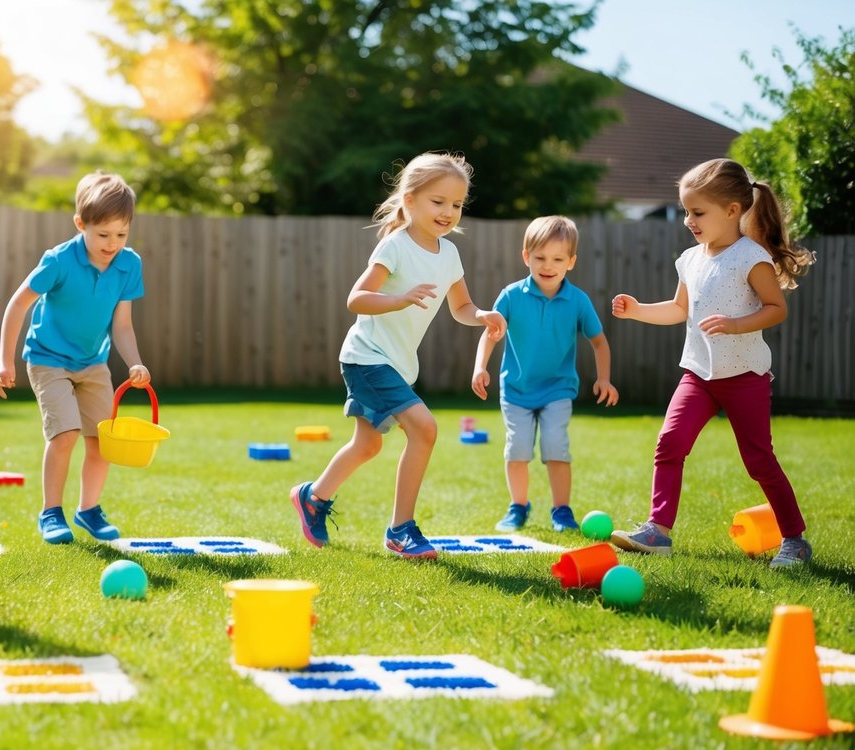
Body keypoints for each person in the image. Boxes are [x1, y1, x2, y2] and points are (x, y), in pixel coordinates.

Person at [291, 152, 506, 559]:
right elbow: (357, 299)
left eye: (456, 204)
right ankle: (400, 529)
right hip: (367, 358)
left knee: (368, 445)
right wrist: (400, 298)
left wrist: (482, 316)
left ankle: (312, 497)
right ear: (410, 200)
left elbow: (460, 307)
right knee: (424, 428)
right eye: (437, 202)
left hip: (397, 364)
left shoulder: (449, 254)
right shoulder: (397, 245)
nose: (448, 212)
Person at [610, 158, 814, 566]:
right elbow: (677, 309)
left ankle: (794, 539)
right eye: (686, 210)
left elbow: (776, 309)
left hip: (745, 377)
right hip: (698, 375)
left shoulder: (749, 257)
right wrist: (637, 310)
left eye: (697, 212)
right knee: (670, 443)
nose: (688, 220)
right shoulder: (691, 260)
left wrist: (738, 324)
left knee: (759, 460)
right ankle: (658, 530)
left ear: (732, 211)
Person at [0, 171, 150, 545]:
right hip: (48, 358)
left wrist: (135, 362)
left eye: (121, 234)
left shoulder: (129, 265)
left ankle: (88, 510)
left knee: (100, 441)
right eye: (103, 235)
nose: (112, 244)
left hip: (93, 363)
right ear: (81, 224)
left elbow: (123, 326)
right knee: (65, 433)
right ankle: (51, 512)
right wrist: (4, 361)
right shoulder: (60, 260)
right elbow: (18, 304)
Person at [471, 216, 618, 533]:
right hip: (516, 390)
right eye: (539, 258)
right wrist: (480, 366)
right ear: (526, 257)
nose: (547, 266)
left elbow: (599, 341)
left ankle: (561, 511)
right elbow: (491, 333)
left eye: (557, 259)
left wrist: (604, 378)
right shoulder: (511, 296)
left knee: (556, 446)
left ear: (571, 262)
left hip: (558, 390)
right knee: (518, 449)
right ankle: (518, 508)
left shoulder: (577, 301)